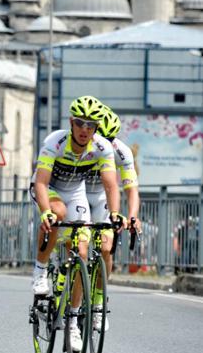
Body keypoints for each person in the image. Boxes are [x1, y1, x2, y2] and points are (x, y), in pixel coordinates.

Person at [30, 96, 122, 352]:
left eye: (91, 125)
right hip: (48, 187)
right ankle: (40, 269)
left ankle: (72, 318)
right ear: (71, 122)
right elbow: (41, 182)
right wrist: (45, 211)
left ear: (96, 127)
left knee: (82, 251)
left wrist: (115, 214)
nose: (85, 129)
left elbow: (111, 184)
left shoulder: (102, 148)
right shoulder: (55, 142)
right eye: (80, 123)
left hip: (75, 192)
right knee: (57, 213)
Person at [91, 107, 142, 331]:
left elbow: (131, 189)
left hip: (102, 196)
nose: (106, 143)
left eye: (111, 138)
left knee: (106, 245)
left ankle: (99, 301)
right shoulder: (80, 146)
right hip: (77, 191)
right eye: (102, 137)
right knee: (74, 238)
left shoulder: (121, 152)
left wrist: (132, 216)